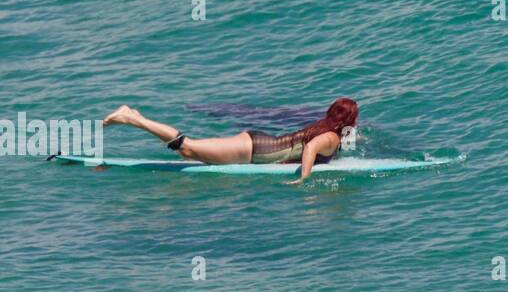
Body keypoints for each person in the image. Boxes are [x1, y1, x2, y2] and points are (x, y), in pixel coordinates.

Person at [101, 98, 358, 183]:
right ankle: (132, 117)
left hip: (257, 144)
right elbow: (312, 147)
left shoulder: (324, 128)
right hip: (254, 150)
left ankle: (134, 117)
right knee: (187, 147)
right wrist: (304, 177)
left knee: (188, 153)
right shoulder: (331, 136)